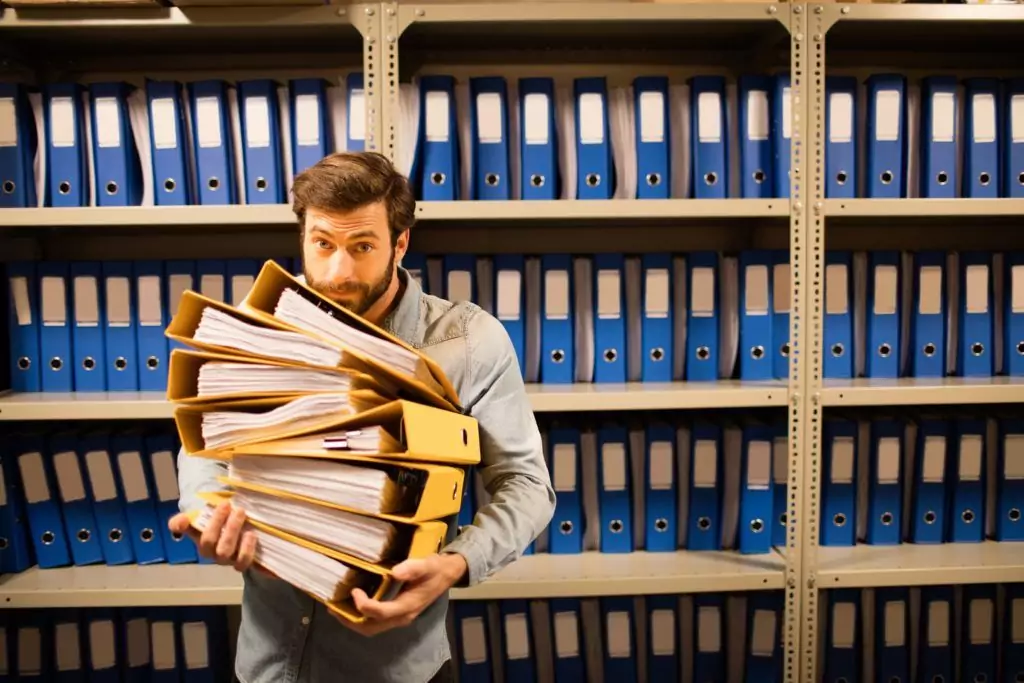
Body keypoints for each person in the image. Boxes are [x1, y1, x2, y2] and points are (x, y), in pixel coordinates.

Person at [168, 151, 556, 683]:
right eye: (322, 244)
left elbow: (526, 484)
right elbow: (207, 446)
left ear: (400, 244)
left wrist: (457, 562)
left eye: (362, 247)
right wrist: (208, 512)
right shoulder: (258, 332)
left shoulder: (468, 342)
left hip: (399, 667)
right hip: (267, 663)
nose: (337, 272)